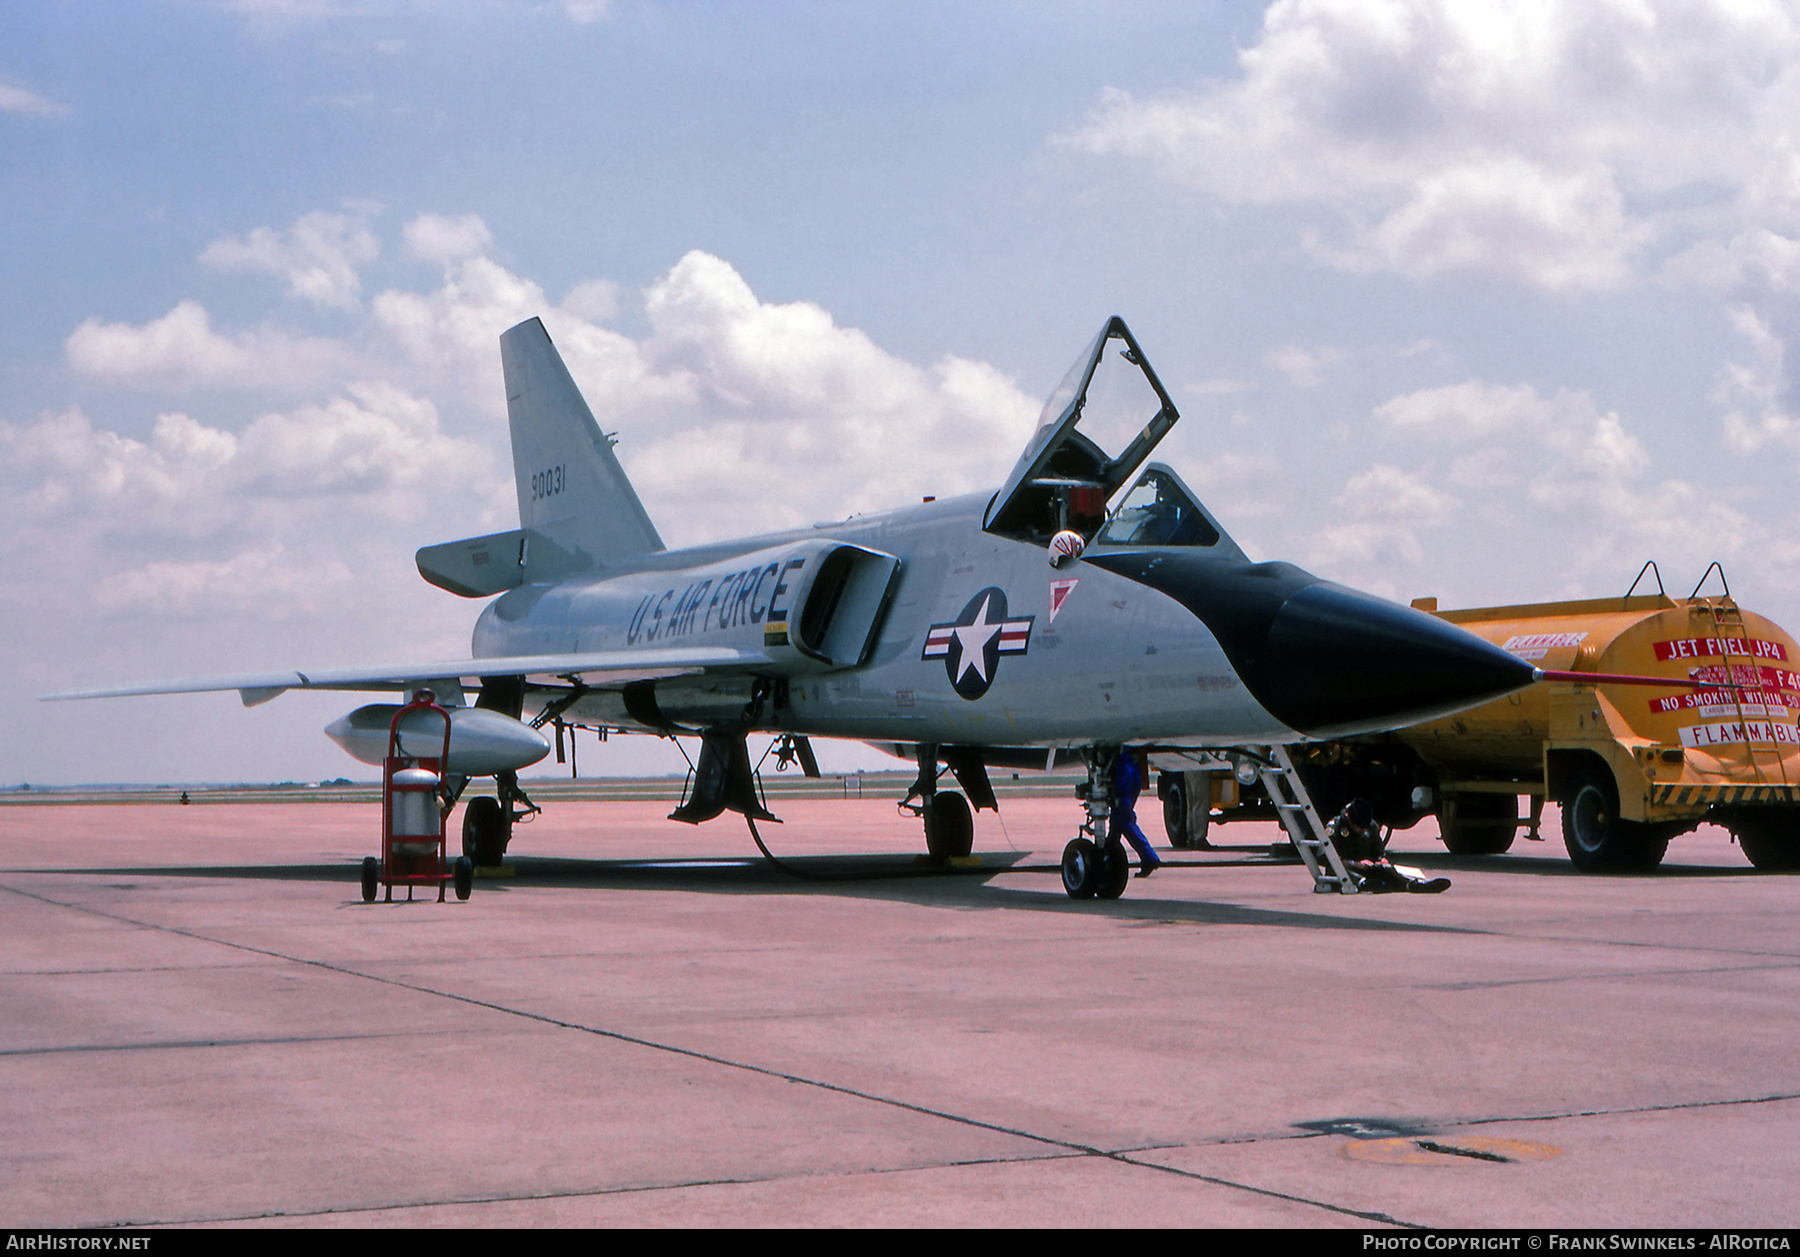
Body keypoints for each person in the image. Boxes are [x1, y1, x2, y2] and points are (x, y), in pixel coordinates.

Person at [1109, 748, 1162, 877]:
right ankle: (1110, 851)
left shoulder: (1120, 755)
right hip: (1132, 778)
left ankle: (1150, 857)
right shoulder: (1129, 754)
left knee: (1125, 822)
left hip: (1124, 782)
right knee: (1117, 823)